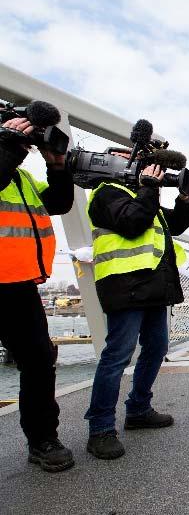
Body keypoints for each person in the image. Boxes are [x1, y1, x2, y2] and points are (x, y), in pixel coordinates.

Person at [84, 149, 189, 460]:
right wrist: (148, 188)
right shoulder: (106, 193)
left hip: (152, 289)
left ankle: (138, 409)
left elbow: (174, 225)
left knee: (157, 348)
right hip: (124, 287)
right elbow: (132, 222)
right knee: (117, 356)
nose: (145, 167)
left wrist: (185, 199)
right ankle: (100, 428)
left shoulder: (142, 195)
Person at [0, 114, 74, 472]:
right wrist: (8, 147)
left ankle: (43, 438)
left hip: (18, 284)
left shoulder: (22, 177)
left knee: (40, 363)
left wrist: (57, 166)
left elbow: (58, 203)